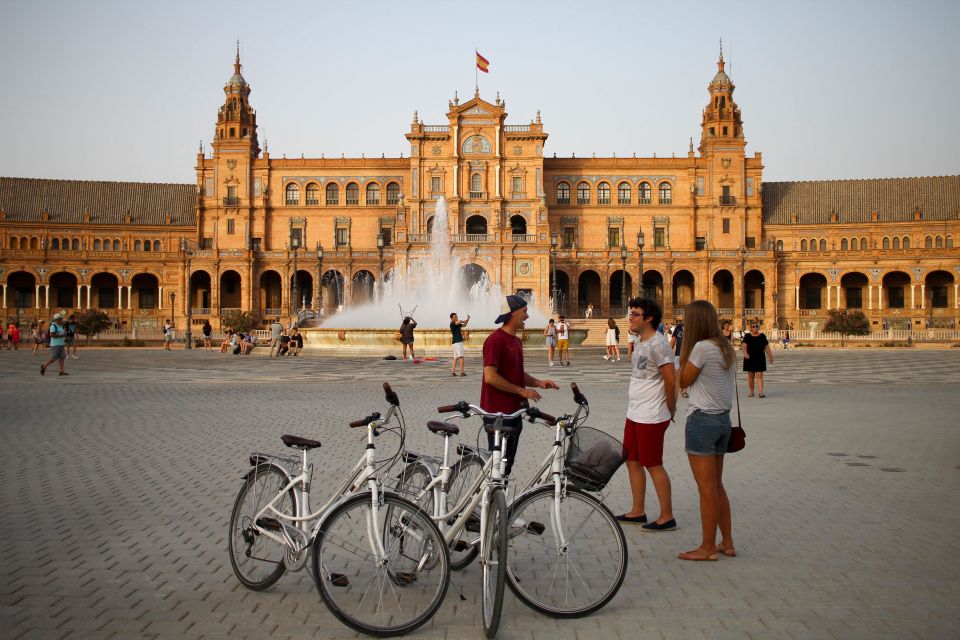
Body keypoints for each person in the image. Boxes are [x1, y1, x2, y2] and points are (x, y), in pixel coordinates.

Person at [676, 300, 737, 561]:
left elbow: (683, 380)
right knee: (717, 485)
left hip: (702, 421)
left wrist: (683, 354)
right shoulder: (726, 347)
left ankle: (707, 547)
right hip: (723, 421)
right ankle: (728, 543)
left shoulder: (701, 348)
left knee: (706, 489)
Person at [481, 295, 559, 477]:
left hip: (514, 411)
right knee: (497, 467)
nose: (527, 316)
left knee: (506, 465)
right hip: (497, 414)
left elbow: (515, 374)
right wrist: (522, 391)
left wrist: (539, 383)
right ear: (512, 313)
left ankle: (498, 503)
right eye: (524, 312)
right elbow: (490, 377)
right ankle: (487, 501)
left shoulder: (515, 341)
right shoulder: (495, 340)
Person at [618, 297, 677, 531]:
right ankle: (638, 510)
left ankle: (667, 516)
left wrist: (670, 410)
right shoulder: (641, 341)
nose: (630, 318)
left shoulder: (659, 344)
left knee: (653, 464)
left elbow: (671, 381)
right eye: (630, 313)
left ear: (648, 318)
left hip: (652, 415)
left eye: (634, 314)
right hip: (635, 413)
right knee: (631, 460)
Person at [742, 322, 774, 397]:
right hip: (749, 358)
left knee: (759, 375)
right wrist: (745, 354)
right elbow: (744, 346)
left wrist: (770, 356)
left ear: (759, 328)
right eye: (753, 327)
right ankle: (751, 392)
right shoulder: (747, 336)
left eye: (756, 326)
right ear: (750, 328)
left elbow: (766, 347)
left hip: (760, 357)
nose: (755, 328)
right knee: (751, 376)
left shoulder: (762, 336)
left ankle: (760, 392)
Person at [40, 312, 68, 376]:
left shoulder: (61, 326)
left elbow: (62, 333)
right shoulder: (53, 326)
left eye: (61, 318)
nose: (62, 319)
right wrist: (61, 335)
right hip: (55, 344)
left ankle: (61, 371)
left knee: (62, 357)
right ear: (57, 319)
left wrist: (64, 333)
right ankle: (44, 366)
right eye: (60, 318)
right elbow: (52, 335)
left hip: (61, 343)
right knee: (54, 358)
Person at [670, 318, 687, 398]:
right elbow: (673, 339)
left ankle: (684, 390)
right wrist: (670, 350)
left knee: (685, 373)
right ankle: (676, 389)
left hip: (688, 354)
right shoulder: (678, 327)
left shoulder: (692, 327)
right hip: (678, 353)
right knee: (677, 373)